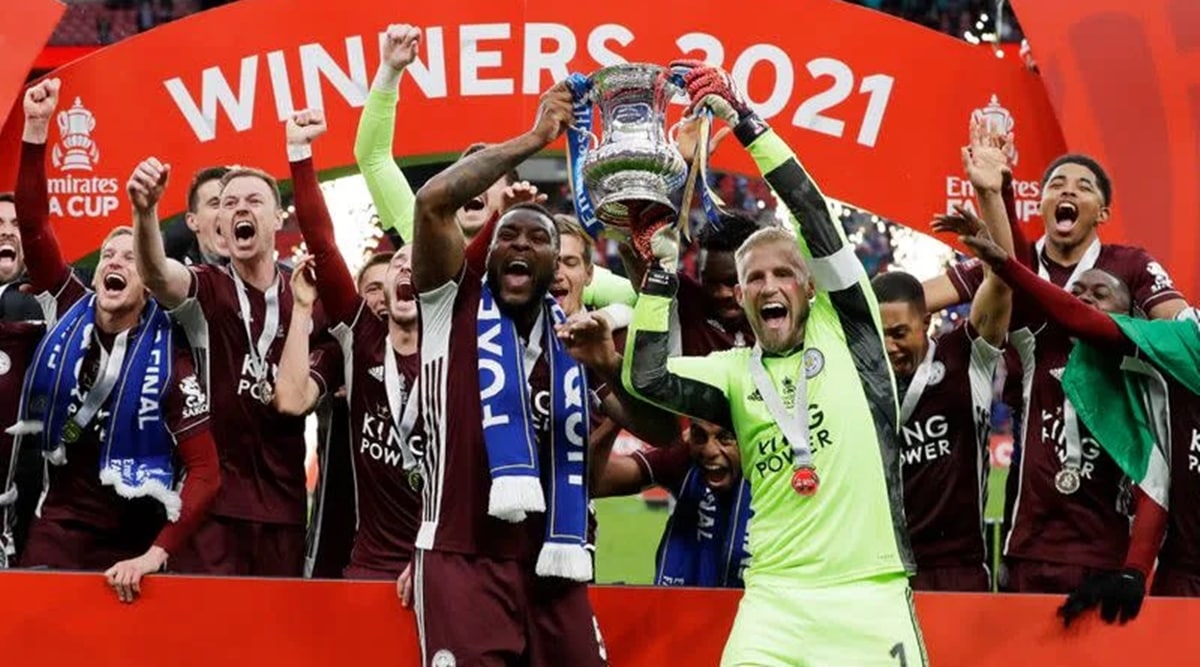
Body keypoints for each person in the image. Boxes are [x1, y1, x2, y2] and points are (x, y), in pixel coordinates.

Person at [623, 62, 926, 666]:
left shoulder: (852, 332)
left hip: (869, 597)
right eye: (754, 277)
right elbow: (647, 375)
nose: (769, 284)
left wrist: (747, 124)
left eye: (784, 273)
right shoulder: (736, 373)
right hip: (775, 603)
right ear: (740, 298)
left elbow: (811, 212)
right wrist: (659, 271)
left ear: (809, 287)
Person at [409, 79, 674, 667]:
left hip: (556, 561)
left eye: (539, 238)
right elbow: (432, 202)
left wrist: (607, 364)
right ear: (488, 250)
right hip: (463, 557)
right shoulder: (449, 309)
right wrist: (535, 139)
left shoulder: (580, 341)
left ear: (559, 264)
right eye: (509, 236)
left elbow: (660, 431)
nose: (521, 245)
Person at [8, 78, 220, 603]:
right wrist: (36, 129)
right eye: (107, 255)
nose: (114, 263)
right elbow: (34, 225)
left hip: (133, 551)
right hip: (56, 536)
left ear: (149, 281)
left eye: (129, 257)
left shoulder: (172, 355)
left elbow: (206, 471)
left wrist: (157, 552)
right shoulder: (68, 304)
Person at [946, 228, 1180, 622]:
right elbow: (1011, 283)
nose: (1083, 297)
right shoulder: (1037, 344)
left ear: (1125, 316)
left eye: (1099, 294)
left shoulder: (1143, 379)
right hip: (1029, 554)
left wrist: (1134, 570)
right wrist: (995, 192)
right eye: (1076, 292)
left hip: (1101, 559)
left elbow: (1154, 486)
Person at [130, 150, 323, 577]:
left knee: (272, 642)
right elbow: (159, 274)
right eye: (228, 202)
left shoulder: (308, 299)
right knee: (205, 640)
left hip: (284, 508)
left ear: (278, 219)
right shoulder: (209, 287)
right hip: (211, 510)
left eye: (253, 201)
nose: (238, 208)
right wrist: (145, 213)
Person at [356, 23, 635, 308]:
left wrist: (612, 317)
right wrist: (390, 72)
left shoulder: (546, 261)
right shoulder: (423, 234)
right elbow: (374, 158)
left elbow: (636, 296)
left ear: (512, 193)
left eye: (487, 180)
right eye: (465, 178)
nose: (473, 186)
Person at [271, 110, 422, 582]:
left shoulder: (457, 334)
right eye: (396, 261)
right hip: (371, 564)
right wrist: (300, 156)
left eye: (413, 264)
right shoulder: (361, 336)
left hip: (439, 562)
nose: (402, 271)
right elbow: (322, 243)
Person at [873, 131, 1015, 592]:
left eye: (900, 333)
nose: (891, 346)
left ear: (926, 324)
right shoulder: (859, 377)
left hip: (957, 568)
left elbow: (1002, 279)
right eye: (882, 335)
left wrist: (989, 194)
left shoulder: (962, 357)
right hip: (880, 572)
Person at [593, 419, 750, 589]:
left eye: (725, 438)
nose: (709, 450)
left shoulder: (777, 471)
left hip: (759, 608)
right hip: (682, 608)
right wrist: (617, 416)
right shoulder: (683, 458)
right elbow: (595, 481)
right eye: (699, 436)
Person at [161, 166, 231, 266]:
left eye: (231, 203)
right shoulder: (174, 265)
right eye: (215, 204)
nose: (226, 212)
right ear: (192, 222)